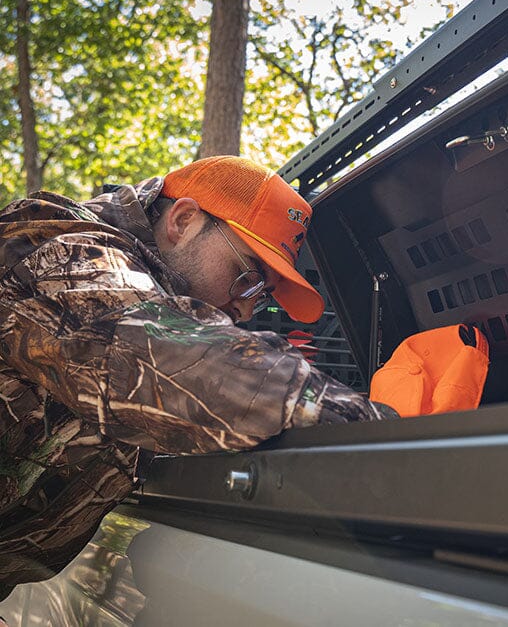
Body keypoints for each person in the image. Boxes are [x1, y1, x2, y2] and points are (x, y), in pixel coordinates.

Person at [0, 156, 393, 600]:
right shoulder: (56, 242)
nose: (246, 309)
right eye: (246, 276)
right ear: (183, 220)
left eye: (259, 296)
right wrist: (384, 435)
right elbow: (167, 358)